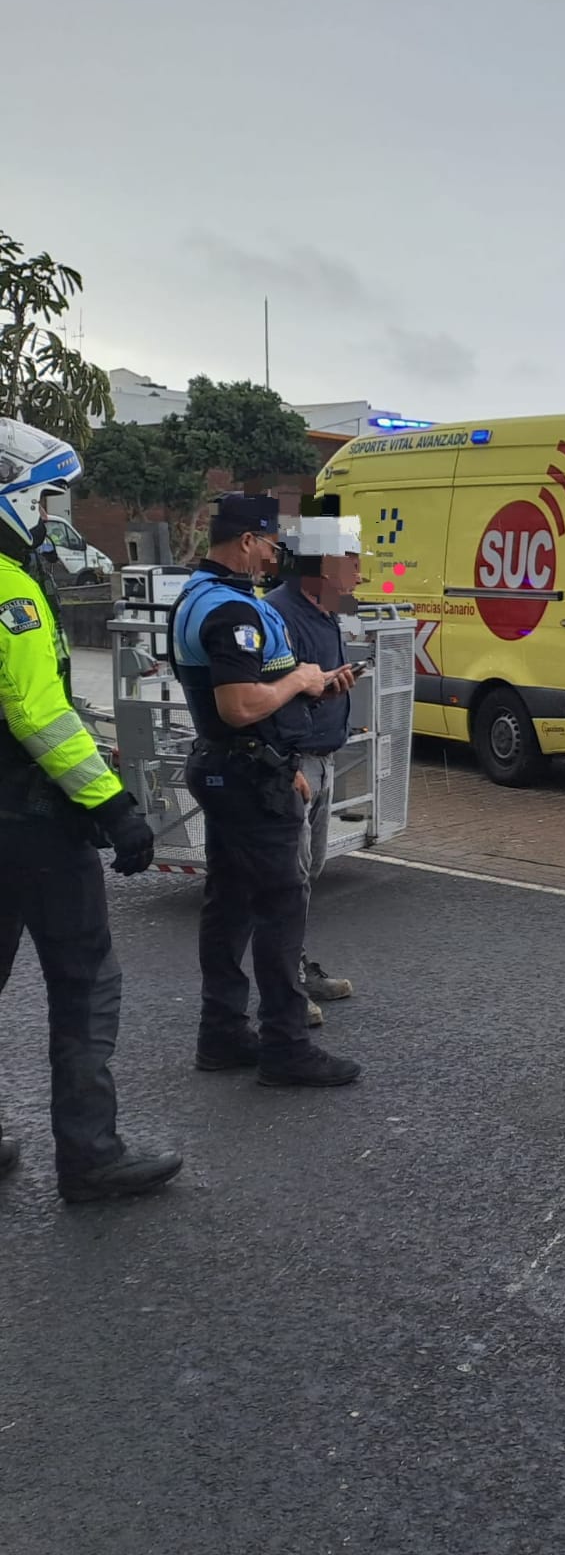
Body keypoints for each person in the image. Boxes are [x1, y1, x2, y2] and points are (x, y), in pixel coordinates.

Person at [0, 418, 182, 1201]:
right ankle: (91, 1156)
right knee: (84, 985)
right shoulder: (12, 591)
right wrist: (113, 807)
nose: (50, 516)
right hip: (33, 827)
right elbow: (38, 716)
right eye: (44, 500)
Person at [170, 494, 362, 1087]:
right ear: (248, 541)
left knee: (228, 903)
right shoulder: (232, 611)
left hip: (239, 766)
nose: (274, 555)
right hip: (248, 771)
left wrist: (310, 689)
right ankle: (286, 1046)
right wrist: (302, 678)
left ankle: (222, 1033)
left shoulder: (196, 596)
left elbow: (255, 690)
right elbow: (239, 705)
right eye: (270, 544)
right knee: (281, 905)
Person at [265, 496, 361, 1015]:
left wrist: (330, 687)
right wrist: (287, 766)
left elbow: (311, 684)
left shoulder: (326, 613)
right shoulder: (280, 613)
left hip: (320, 759)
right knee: (286, 879)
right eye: (353, 560)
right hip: (293, 762)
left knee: (307, 874)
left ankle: (294, 968)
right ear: (321, 565)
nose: (361, 575)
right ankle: (282, 991)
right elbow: (267, 692)